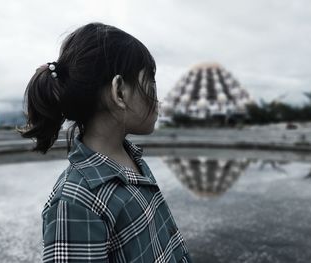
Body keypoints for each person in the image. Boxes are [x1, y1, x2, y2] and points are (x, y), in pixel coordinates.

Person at [17, 22, 193, 262]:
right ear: (119, 91)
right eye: (150, 84)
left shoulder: (131, 159)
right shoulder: (75, 202)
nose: (157, 99)